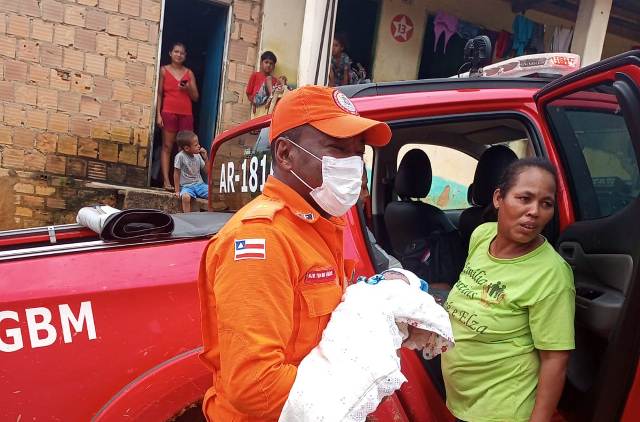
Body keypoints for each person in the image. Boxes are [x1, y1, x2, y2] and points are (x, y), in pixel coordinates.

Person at [197, 85, 391, 421]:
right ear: (286, 154)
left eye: (357, 154)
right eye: (337, 149)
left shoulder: (321, 224)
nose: (353, 167)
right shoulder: (262, 240)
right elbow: (256, 386)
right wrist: (358, 387)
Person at [441, 158, 576, 422]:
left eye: (546, 204)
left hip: (504, 409)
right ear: (498, 198)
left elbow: (555, 361)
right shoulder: (482, 235)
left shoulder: (551, 274)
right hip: (463, 399)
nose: (535, 211)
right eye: (524, 198)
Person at [156, 42, 199, 191]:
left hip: (186, 114)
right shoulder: (163, 70)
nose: (179, 55)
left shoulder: (189, 73)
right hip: (168, 112)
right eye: (176, 52)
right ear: (170, 53)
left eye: (182, 53)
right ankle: (166, 182)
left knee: (184, 149)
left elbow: (195, 97)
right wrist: (158, 115)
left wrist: (187, 88)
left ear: (185, 56)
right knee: (167, 146)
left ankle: (184, 183)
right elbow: (159, 94)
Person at [173, 130, 208, 213]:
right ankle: (187, 217)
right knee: (185, 197)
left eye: (198, 144)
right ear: (187, 148)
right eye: (196, 145)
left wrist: (206, 158)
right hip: (186, 187)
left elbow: (207, 171)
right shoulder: (180, 156)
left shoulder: (198, 156)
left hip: (200, 185)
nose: (199, 146)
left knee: (213, 194)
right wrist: (177, 191)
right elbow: (176, 173)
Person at [246, 51, 288, 116]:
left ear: (274, 66)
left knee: (282, 80)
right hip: (257, 106)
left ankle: (272, 98)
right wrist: (253, 103)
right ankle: (271, 96)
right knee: (269, 79)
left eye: (271, 64)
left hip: (267, 107)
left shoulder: (275, 80)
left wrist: (283, 82)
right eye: (266, 62)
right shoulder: (255, 75)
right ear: (261, 63)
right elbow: (248, 93)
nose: (268, 65)